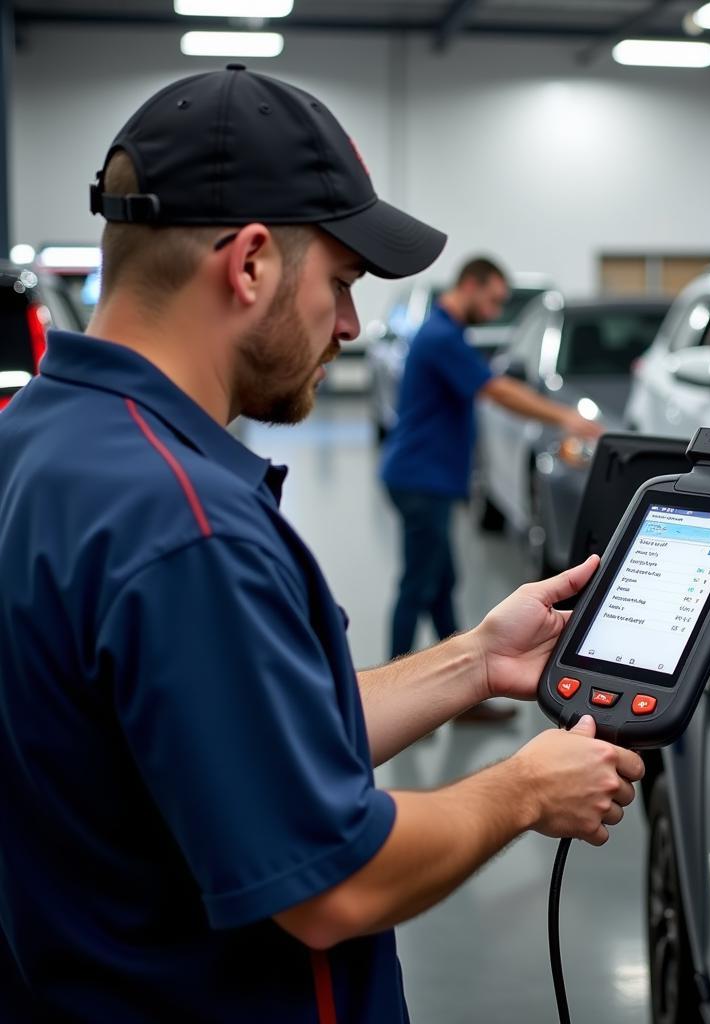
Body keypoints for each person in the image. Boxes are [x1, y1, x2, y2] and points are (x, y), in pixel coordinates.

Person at [0, 67, 644, 1023]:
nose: (349, 325)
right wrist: (523, 789)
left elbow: (245, 744)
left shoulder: (41, 440)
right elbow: (331, 885)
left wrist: (476, 662)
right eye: (340, 283)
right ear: (250, 262)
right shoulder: (184, 524)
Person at [380, 258, 603, 721]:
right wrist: (566, 418)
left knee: (441, 586)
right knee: (418, 585)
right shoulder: (441, 336)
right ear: (470, 285)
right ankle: (389, 697)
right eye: (495, 299)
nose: (497, 310)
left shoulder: (446, 333)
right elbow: (496, 390)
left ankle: (461, 698)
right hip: (421, 479)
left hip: (427, 477)